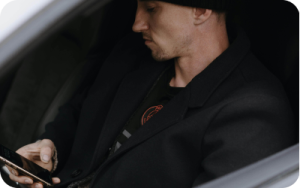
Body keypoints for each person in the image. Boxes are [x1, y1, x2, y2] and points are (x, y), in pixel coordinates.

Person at [7, 0, 296, 187]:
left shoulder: (254, 114)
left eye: (152, 8)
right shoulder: (133, 55)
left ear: (201, 9)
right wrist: (50, 150)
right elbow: (79, 111)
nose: (136, 23)